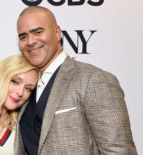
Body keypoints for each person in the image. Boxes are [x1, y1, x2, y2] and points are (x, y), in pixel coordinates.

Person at [14, 6, 137, 155]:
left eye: (38, 32)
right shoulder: (25, 88)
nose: (30, 41)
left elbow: (119, 151)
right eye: (23, 37)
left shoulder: (94, 79)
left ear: (57, 33)